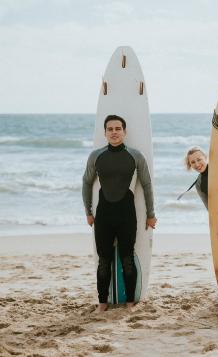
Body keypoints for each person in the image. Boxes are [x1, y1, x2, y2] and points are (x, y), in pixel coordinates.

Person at [82, 114, 157, 313]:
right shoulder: (96, 156)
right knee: (104, 260)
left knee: (127, 258)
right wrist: (88, 211)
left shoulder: (136, 155)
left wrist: (151, 213)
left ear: (124, 131)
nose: (114, 132)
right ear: (105, 133)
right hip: (104, 215)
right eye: (110, 129)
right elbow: (86, 183)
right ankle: (102, 303)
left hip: (127, 214)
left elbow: (147, 185)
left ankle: (130, 302)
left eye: (118, 129)